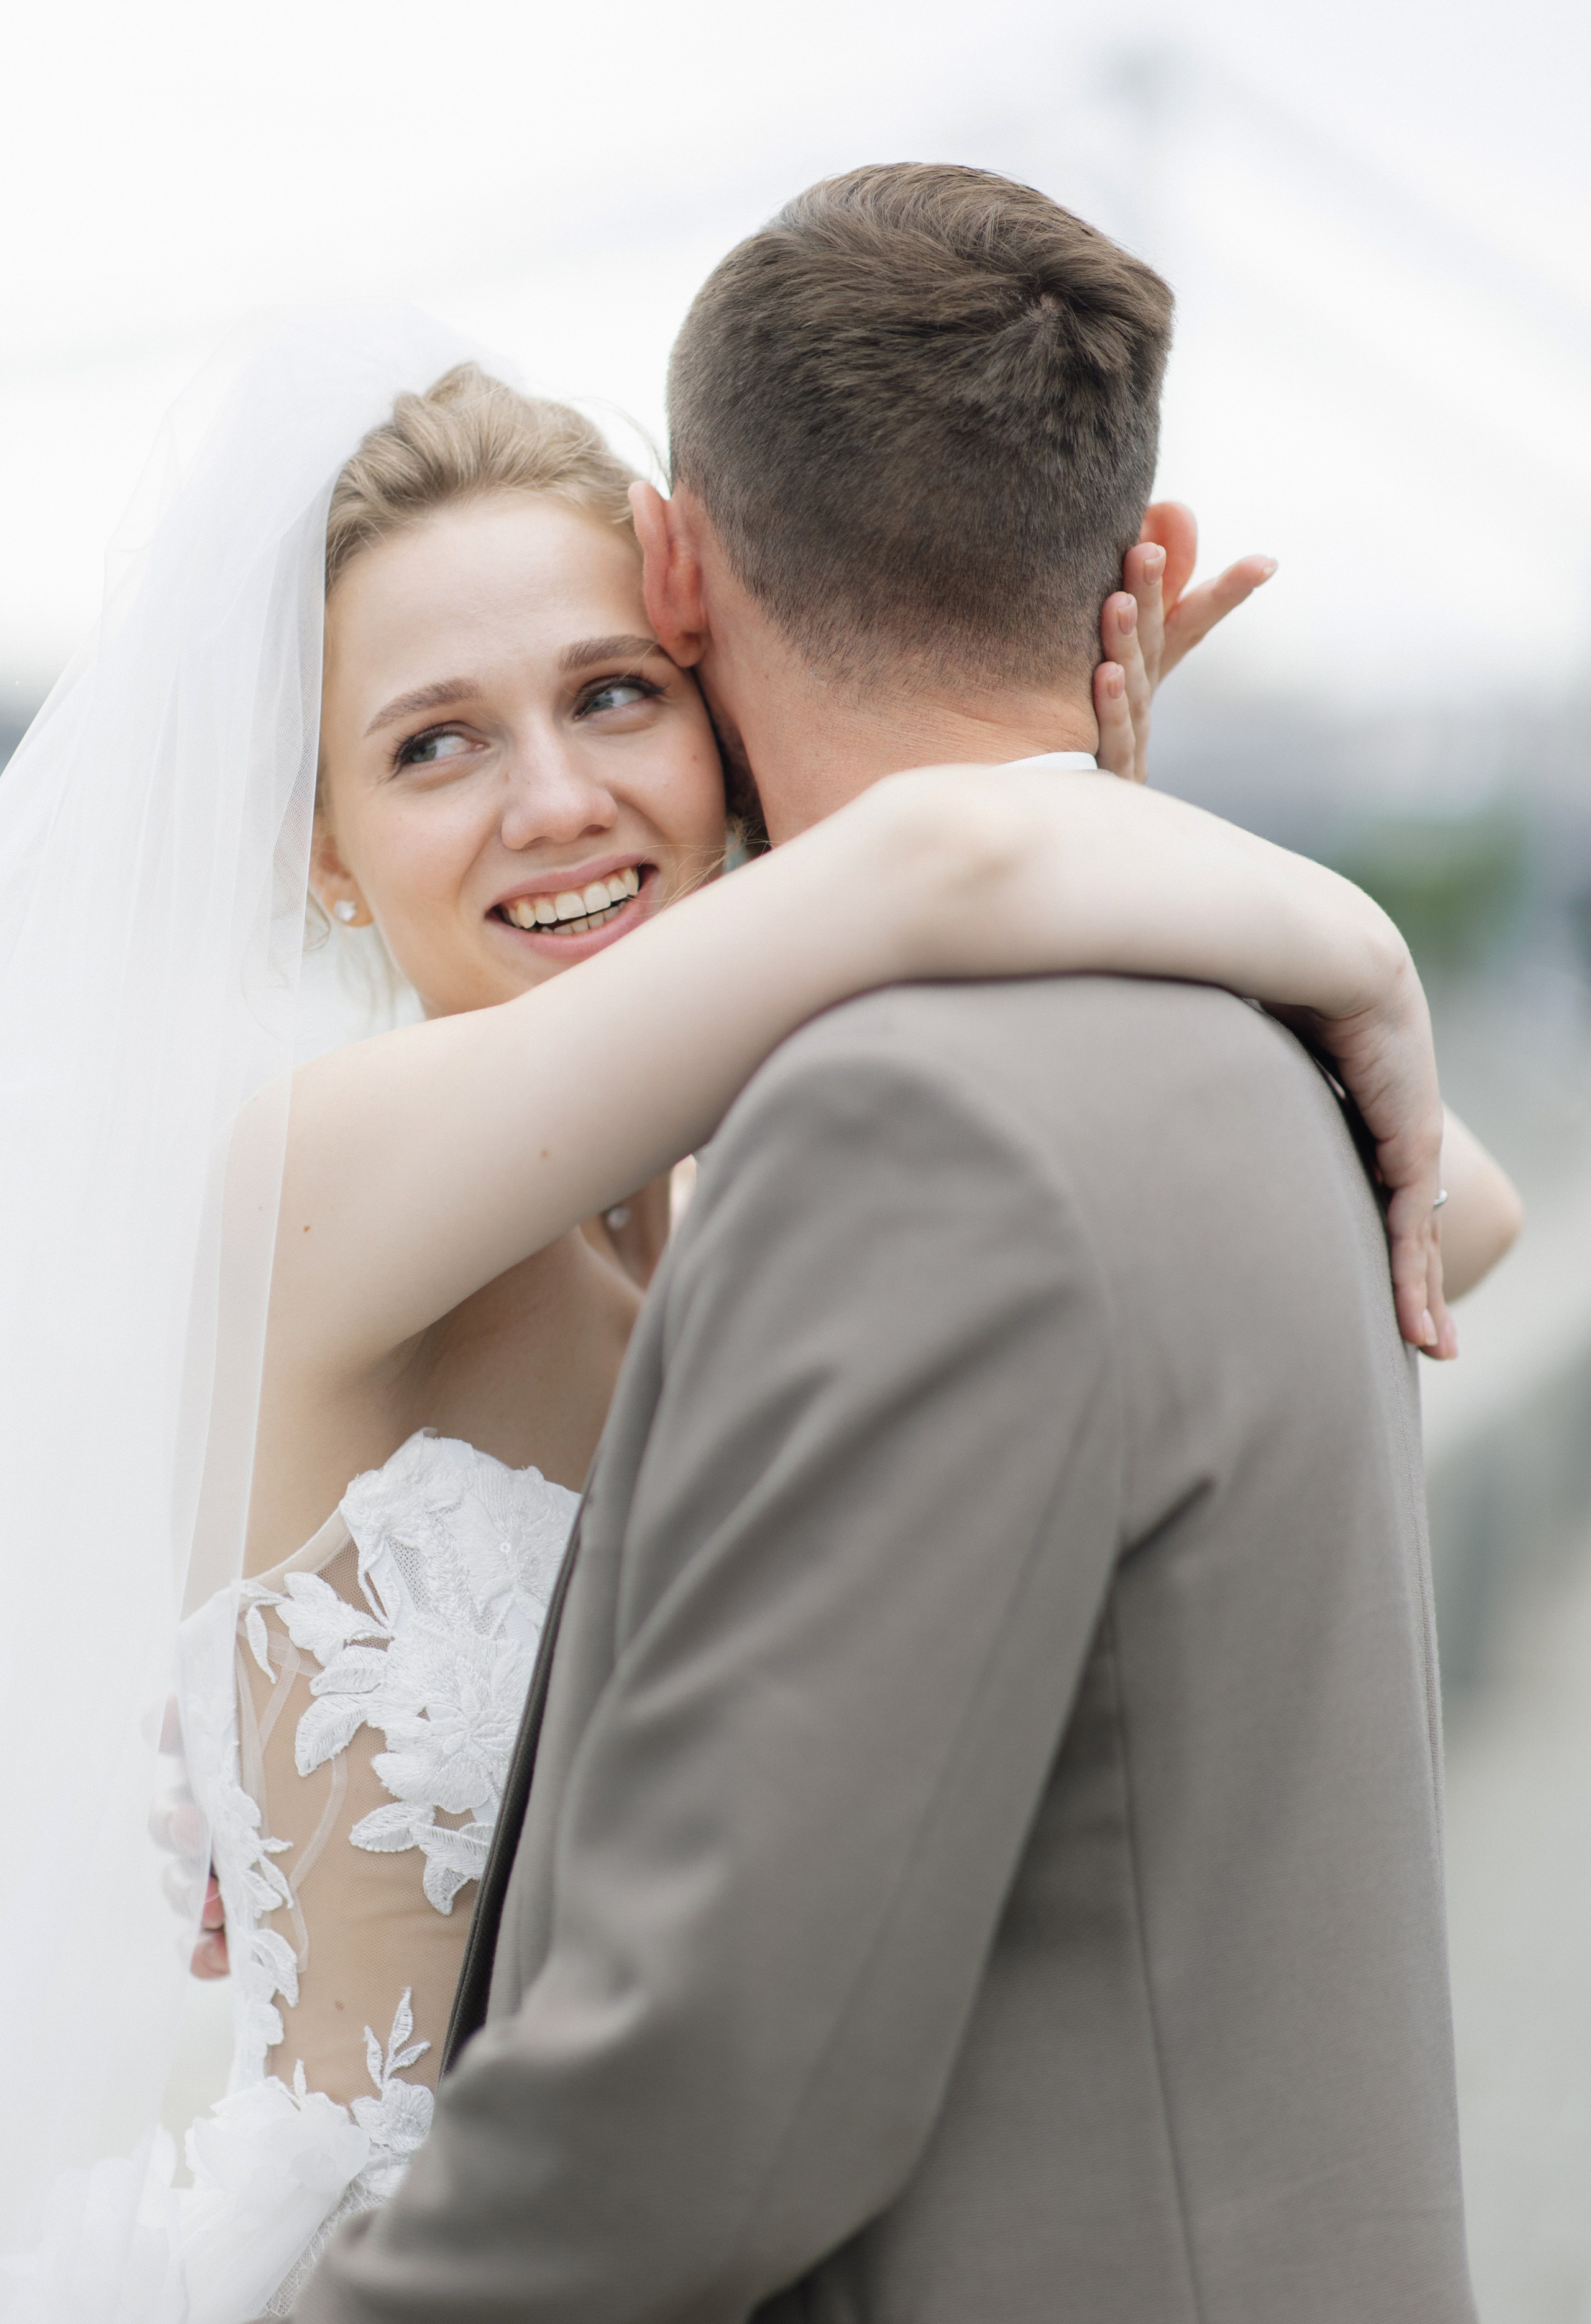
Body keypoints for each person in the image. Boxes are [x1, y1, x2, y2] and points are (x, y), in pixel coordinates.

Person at [263, 170, 1515, 2324]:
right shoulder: (311, 1167)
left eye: (620, 695)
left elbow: (1455, 1220)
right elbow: (931, 847)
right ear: (320, 851)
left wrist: (1084, 837)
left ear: (703, 637)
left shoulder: (770, 1156)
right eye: (435, 744)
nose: (554, 801)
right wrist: (1307, 923)